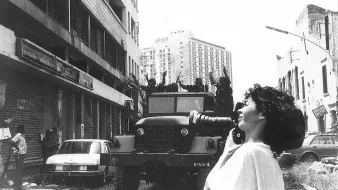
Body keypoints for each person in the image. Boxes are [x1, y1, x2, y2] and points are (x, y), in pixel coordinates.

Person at [204, 84, 305, 190]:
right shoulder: (267, 154)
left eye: (246, 104)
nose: (240, 110)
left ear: (262, 113)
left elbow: (208, 186)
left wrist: (226, 154)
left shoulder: (248, 152)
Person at [11, 124, 27, 190]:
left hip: (21, 155)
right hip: (18, 155)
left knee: (19, 170)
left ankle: (17, 185)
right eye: (22, 128)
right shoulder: (18, 135)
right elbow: (12, 142)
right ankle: (18, 186)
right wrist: (17, 148)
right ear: (20, 129)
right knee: (19, 170)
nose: (24, 130)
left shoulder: (22, 136)